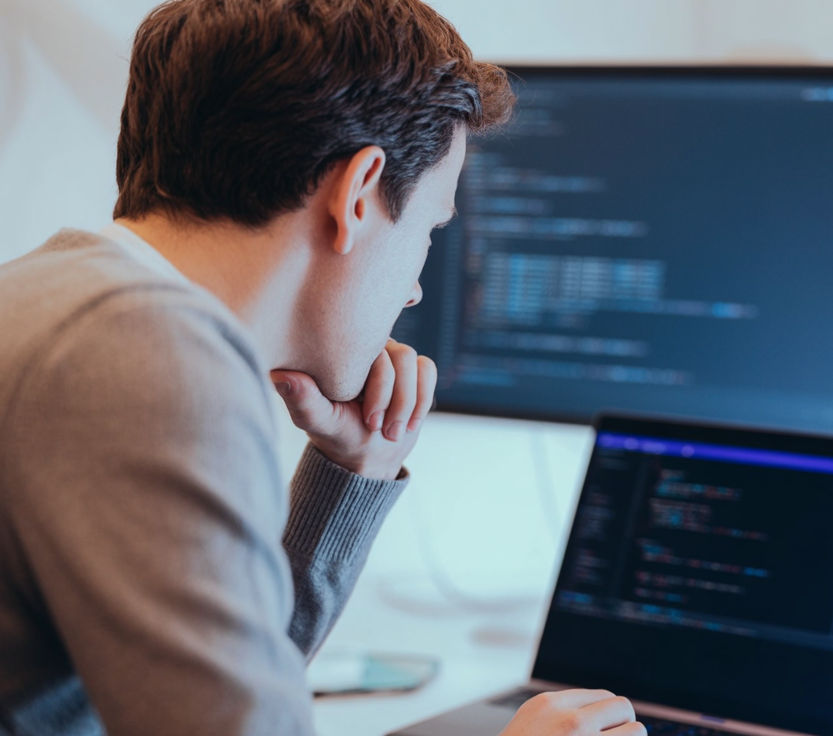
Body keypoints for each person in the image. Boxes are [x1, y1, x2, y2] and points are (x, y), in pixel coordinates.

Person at [0, 2, 641, 735]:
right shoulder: (144, 358)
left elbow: (217, 698)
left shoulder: (64, 304)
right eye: (431, 229)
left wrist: (352, 475)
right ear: (359, 193)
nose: (415, 288)